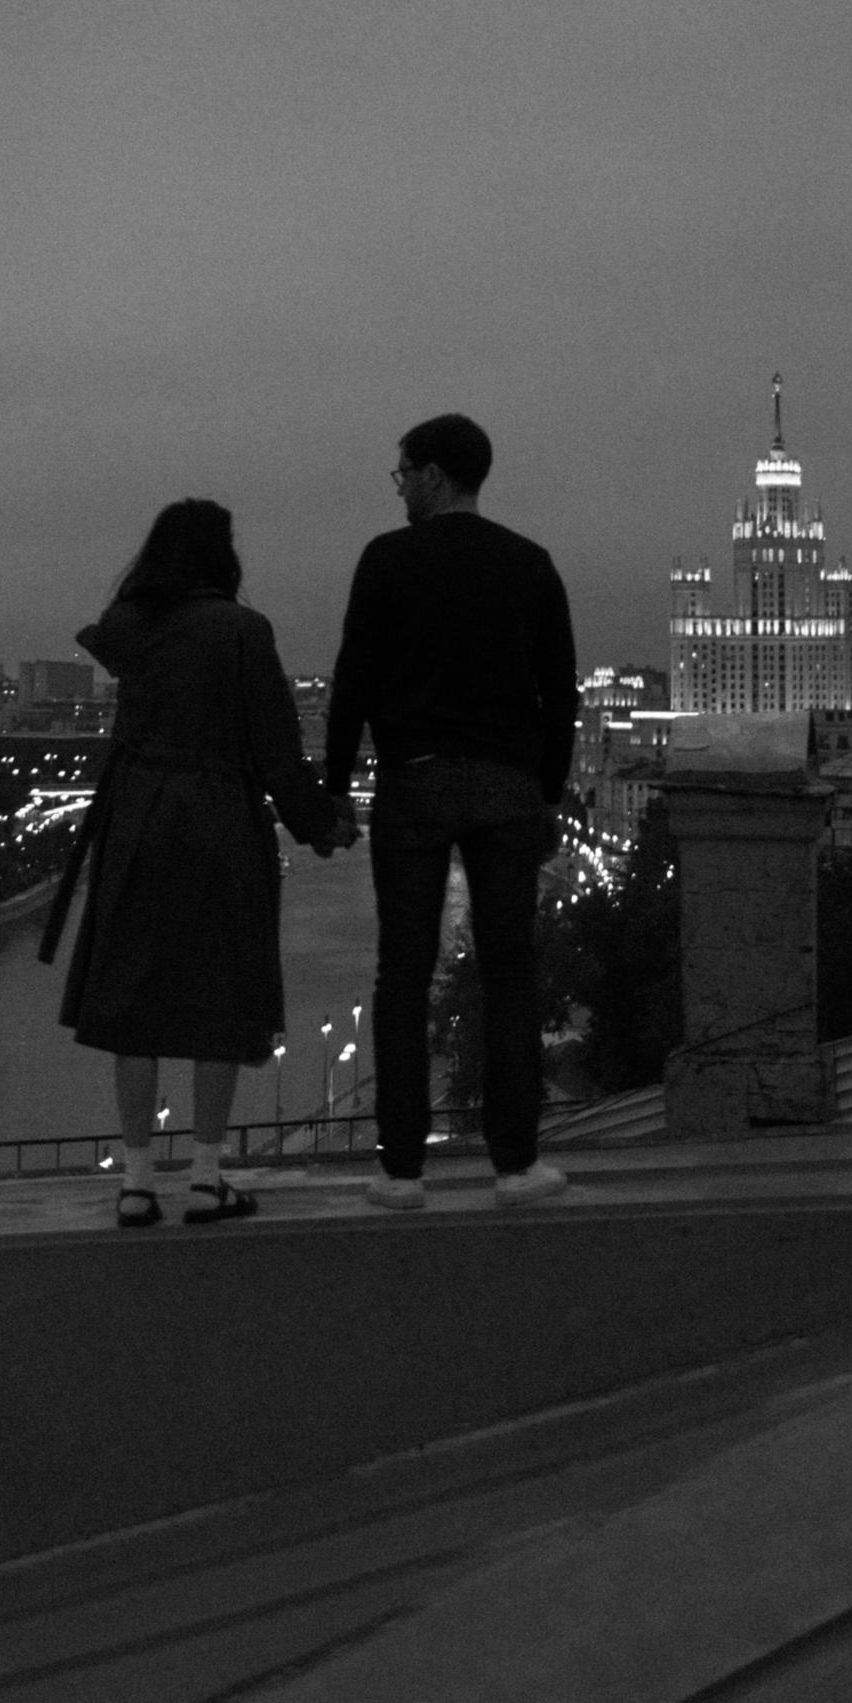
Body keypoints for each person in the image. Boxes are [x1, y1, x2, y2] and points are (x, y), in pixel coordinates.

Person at [42, 498, 354, 1227]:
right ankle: (208, 1178)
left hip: (137, 818)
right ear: (223, 555)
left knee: (136, 1004)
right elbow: (276, 751)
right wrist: (320, 827)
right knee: (221, 996)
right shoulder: (243, 631)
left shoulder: (127, 625)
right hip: (217, 818)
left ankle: (137, 1182)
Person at [324, 414, 578, 1210]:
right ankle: (516, 1166)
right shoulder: (531, 564)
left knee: (403, 973)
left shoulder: (386, 560)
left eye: (402, 473)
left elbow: (354, 680)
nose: (397, 486)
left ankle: (401, 1172)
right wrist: (547, 792)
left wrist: (334, 786)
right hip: (507, 786)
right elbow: (559, 693)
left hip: (416, 783)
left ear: (433, 475)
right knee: (510, 973)